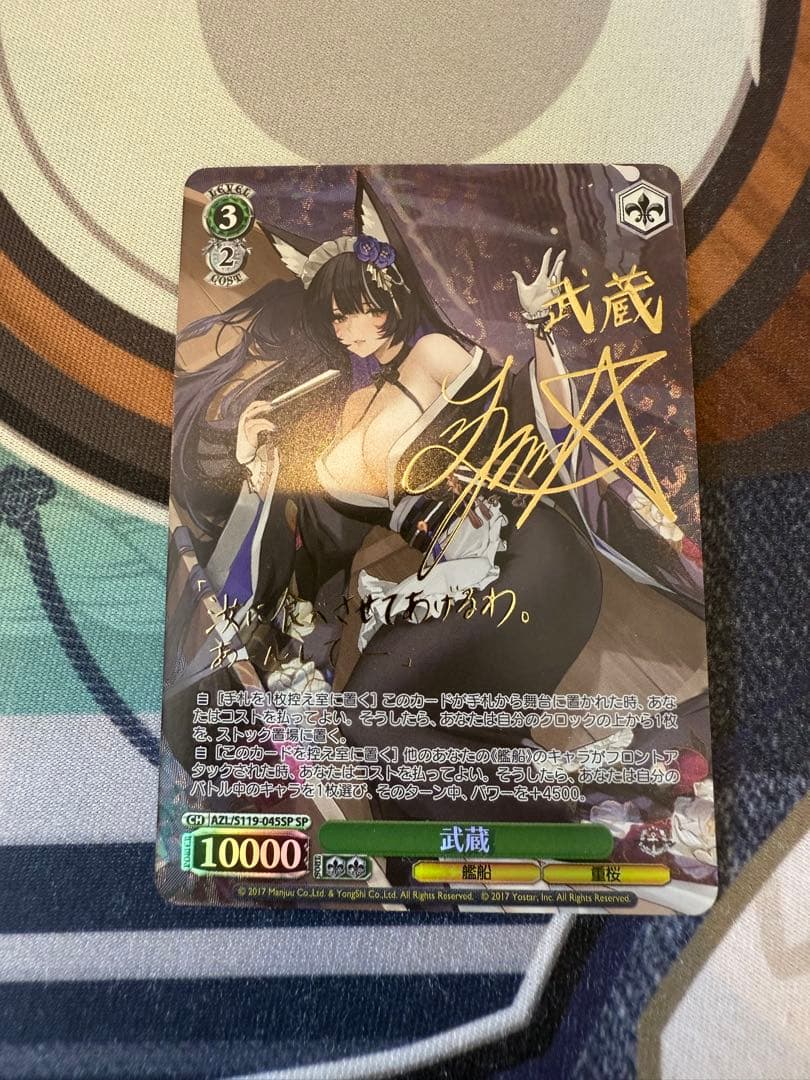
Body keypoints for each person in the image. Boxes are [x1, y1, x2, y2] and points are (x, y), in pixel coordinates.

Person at [167, 172, 700, 821]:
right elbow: (310, 574)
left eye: (359, 307)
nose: (348, 327)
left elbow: (543, 418)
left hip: (526, 554)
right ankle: (608, 801)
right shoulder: (325, 430)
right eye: (335, 314)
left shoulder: (435, 354)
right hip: (456, 584)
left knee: (371, 718)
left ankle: (595, 806)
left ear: (392, 296)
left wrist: (541, 323)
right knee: (402, 777)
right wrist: (255, 471)